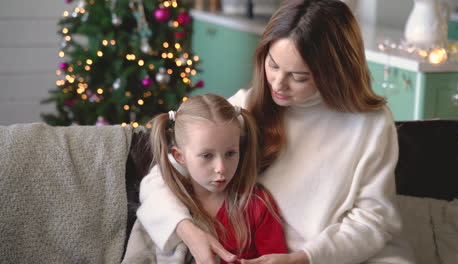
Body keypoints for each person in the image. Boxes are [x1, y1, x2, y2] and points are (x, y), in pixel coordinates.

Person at [137, 0, 416, 263]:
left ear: (336, 72)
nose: (278, 84)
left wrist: (303, 258)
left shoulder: (371, 124)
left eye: (299, 76)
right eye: (273, 65)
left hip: (341, 256)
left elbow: (374, 222)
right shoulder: (245, 108)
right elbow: (157, 182)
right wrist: (190, 232)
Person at [141, 93, 288, 263]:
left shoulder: (256, 205)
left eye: (230, 153)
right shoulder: (169, 202)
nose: (221, 168)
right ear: (179, 156)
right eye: (206, 156)